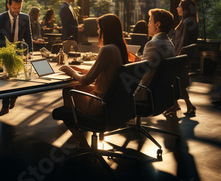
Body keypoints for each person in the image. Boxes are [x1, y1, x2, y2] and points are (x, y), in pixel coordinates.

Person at [57, 14, 129, 146]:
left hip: (99, 105)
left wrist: (71, 72)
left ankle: (82, 140)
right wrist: (77, 69)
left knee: (68, 89)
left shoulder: (107, 50)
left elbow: (86, 80)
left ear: (106, 30)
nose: (97, 31)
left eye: (99, 28)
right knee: (75, 87)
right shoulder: (119, 48)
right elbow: (99, 71)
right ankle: (83, 128)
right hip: (112, 103)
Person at [0, 0, 33, 116]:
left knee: (18, 77)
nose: (17, 11)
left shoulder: (25, 18)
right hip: (5, 52)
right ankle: (5, 107)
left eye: (19, 8)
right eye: (14, 8)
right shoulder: (0, 18)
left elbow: (28, 37)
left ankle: (14, 95)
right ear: (8, 5)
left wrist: (30, 52)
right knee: (6, 79)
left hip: (19, 52)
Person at [164, 0, 198, 116]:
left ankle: (179, 105)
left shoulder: (187, 22)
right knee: (176, 81)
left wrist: (174, 58)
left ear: (185, 8)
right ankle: (179, 105)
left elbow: (182, 43)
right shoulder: (190, 21)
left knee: (172, 79)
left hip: (179, 58)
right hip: (183, 58)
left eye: (179, 6)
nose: (177, 8)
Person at [136, 9, 176, 101]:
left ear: (157, 24)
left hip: (145, 94)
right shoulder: (169, 43)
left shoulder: (152, 44)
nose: (148, 25)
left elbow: (144, 75)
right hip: (161, 92)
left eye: (150, 22)